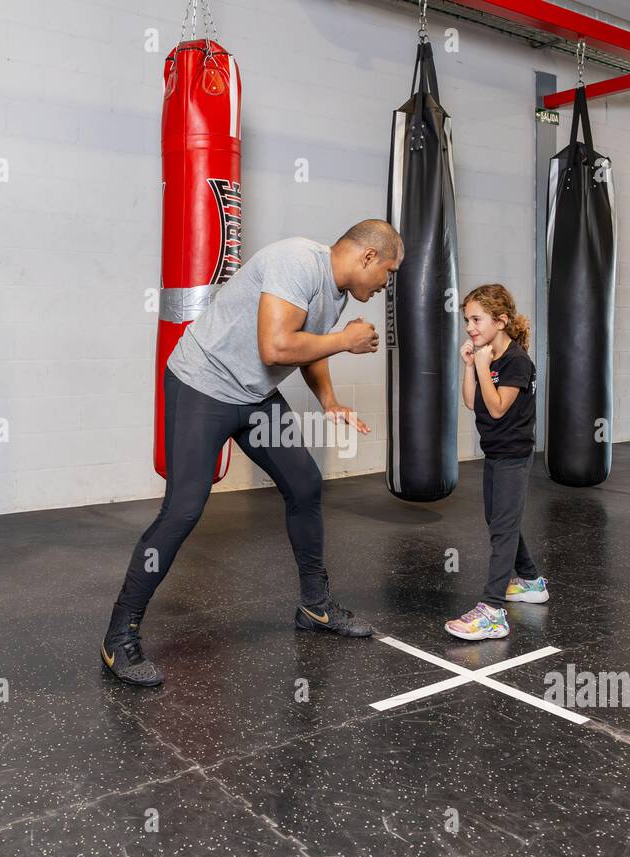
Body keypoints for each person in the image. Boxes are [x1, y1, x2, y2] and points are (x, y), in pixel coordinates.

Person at [102, 220, 404, 686]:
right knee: (183, 510)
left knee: (304, 484)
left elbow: (308, 347)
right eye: (388, 271)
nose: (386, 284)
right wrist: (345, 341)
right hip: (202, 386)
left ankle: (315, 607)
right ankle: (119, 634)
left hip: (254, 398)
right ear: (367, 257)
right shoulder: (297, 262)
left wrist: (329, 400)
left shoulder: (339, 293)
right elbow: (277, 346)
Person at [445, 283, 550, 641]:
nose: (470, 327)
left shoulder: (517, 361)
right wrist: (471, 366)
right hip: (494, 452)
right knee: (498, 519)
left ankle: (492, 611)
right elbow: (471, 402)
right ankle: (532, 580)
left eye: (477, 319)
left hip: (513, 456)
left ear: (501, 320)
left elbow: (497, 407)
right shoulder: (487, 356)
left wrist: (485, 362)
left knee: (503, 527)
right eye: (467, 320)